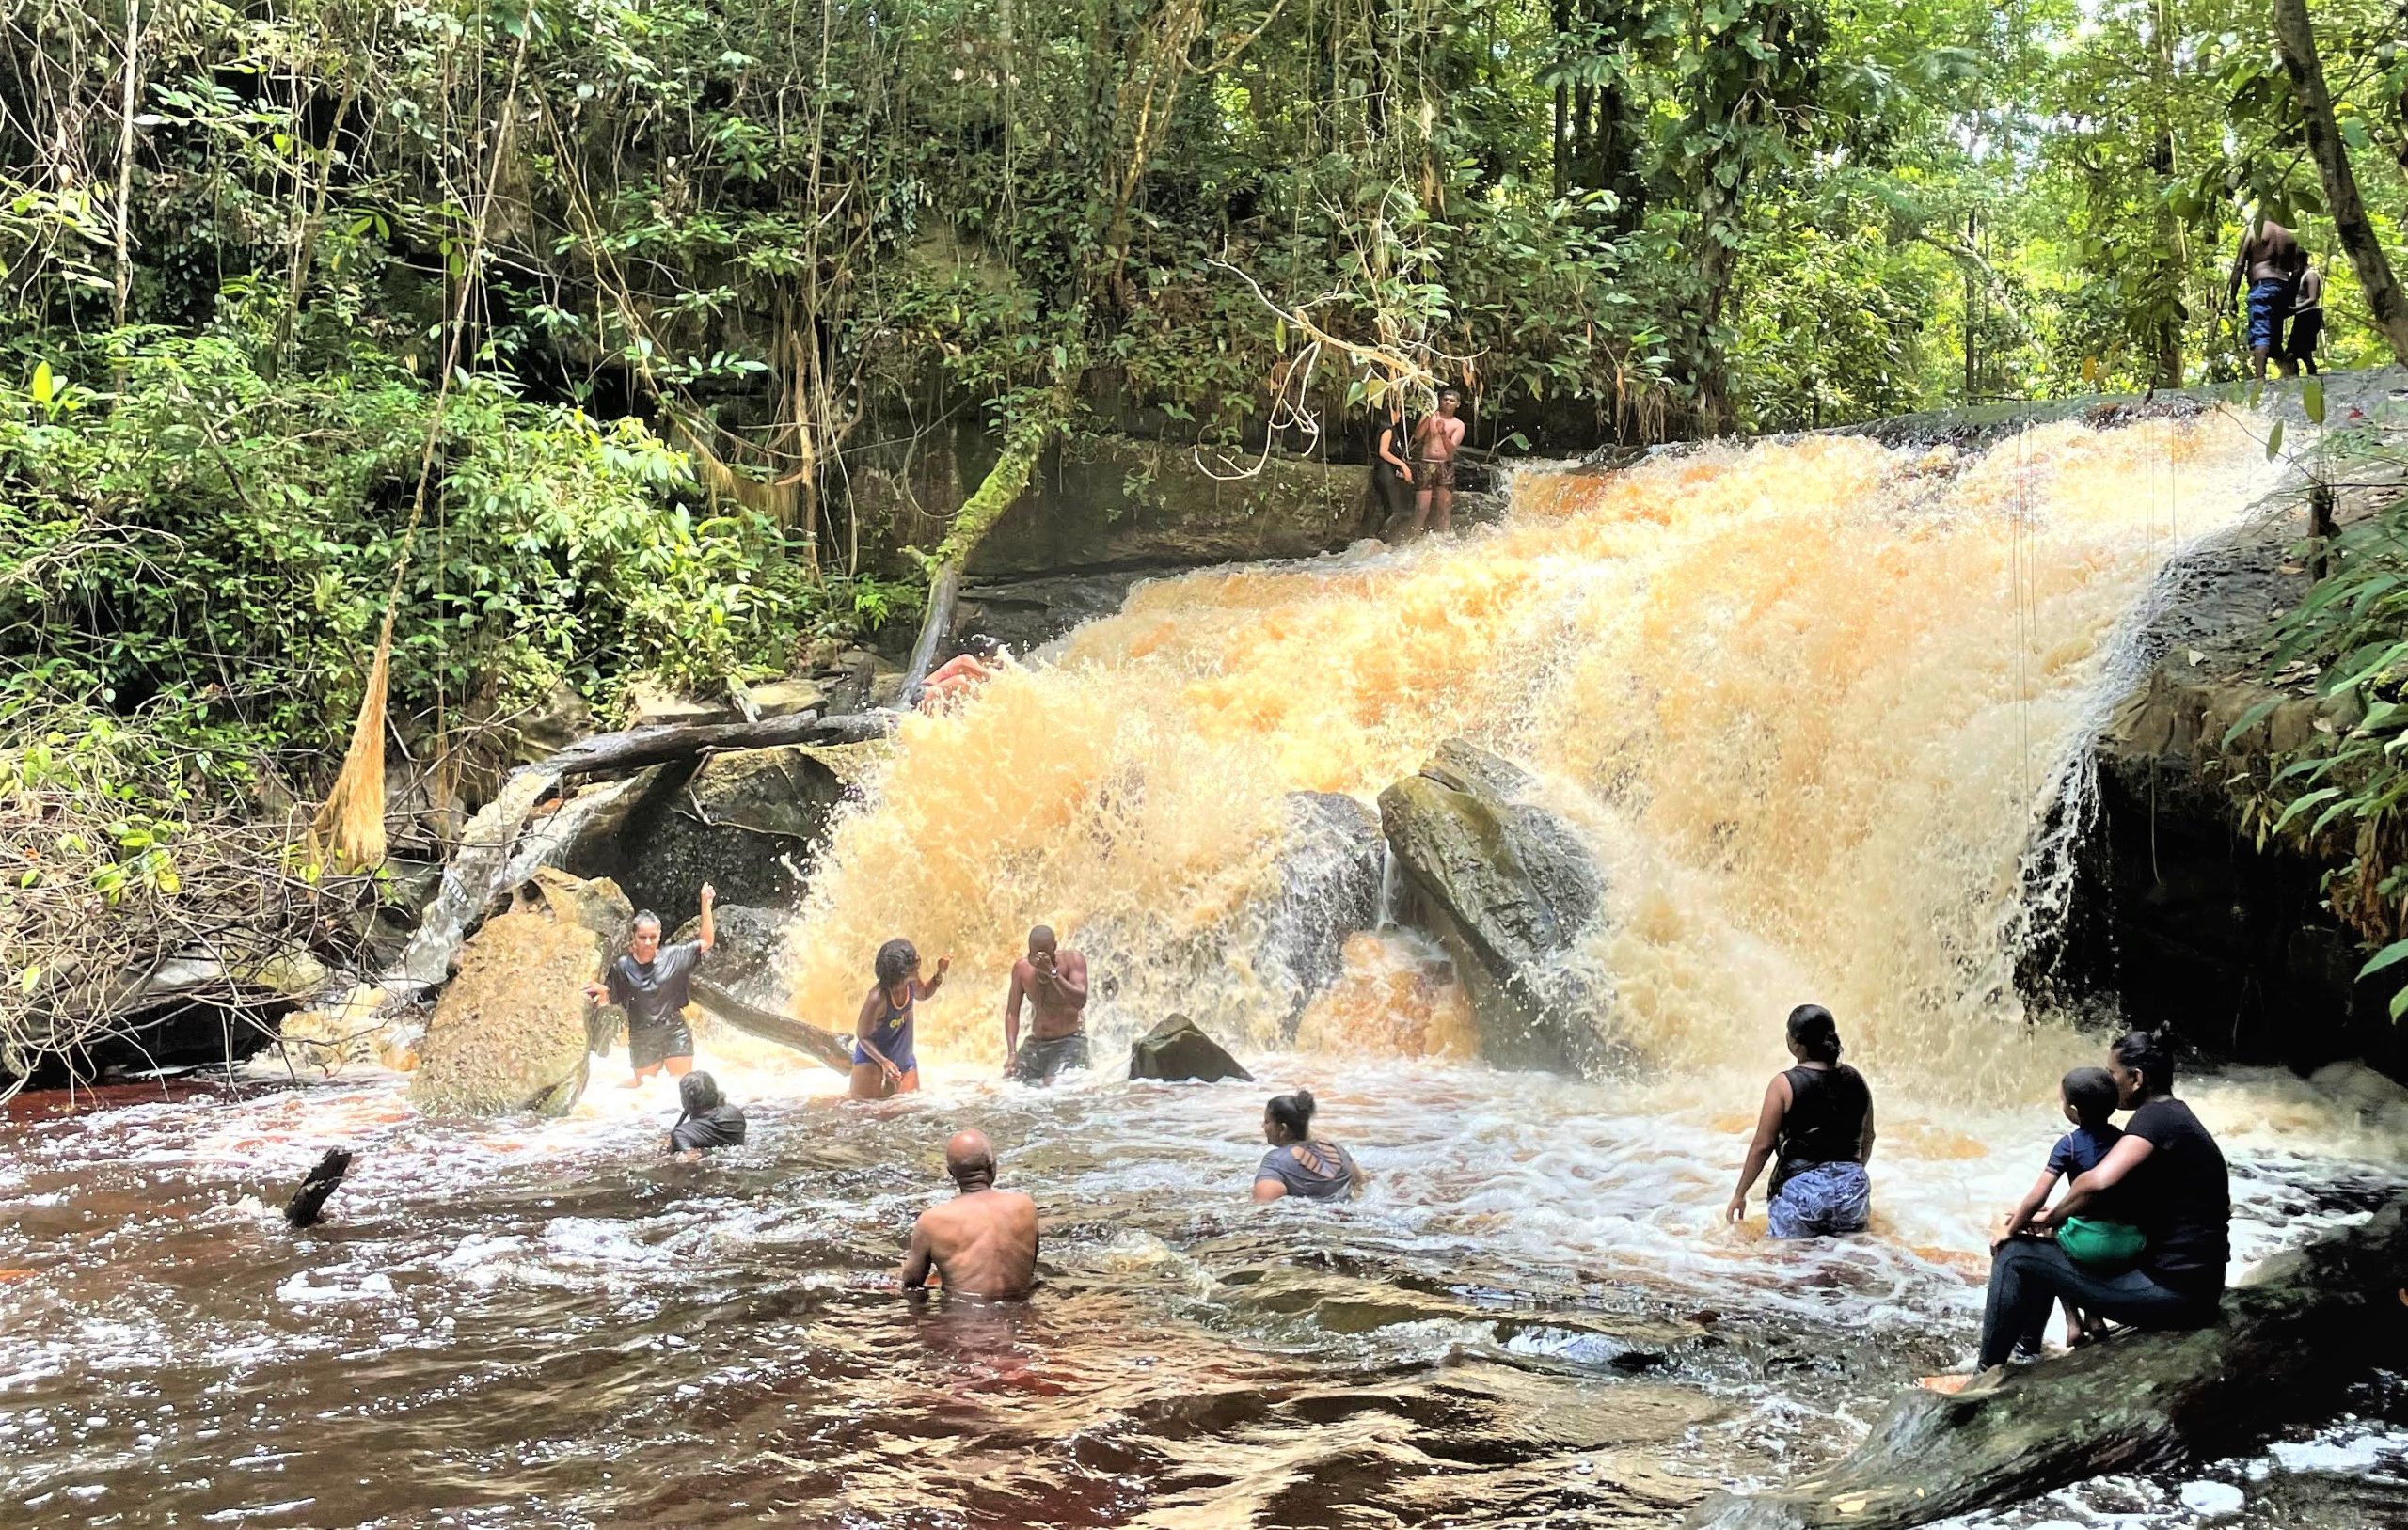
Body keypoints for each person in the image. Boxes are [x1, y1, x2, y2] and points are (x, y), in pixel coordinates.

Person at [1971, 1030, 2229, 1371]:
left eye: (2112, 1075)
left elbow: (2097, 1183)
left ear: (2136, 1079)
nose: (2108, 1082)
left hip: (2173, 1295)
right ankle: (2026, 1355)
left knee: (2014, 1253)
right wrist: (2059, 1216)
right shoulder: (2174, 1116)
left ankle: (1983, 1377)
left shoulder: (2154, 1121)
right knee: (2043, 1248)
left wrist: (2050, 1219)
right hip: (2197, 1288)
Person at [1994, 1066, 2147, 1348]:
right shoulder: (2125, 1141)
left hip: (2092, 1244)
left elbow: (2037, 1196)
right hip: (2130, 1242)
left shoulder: (2069, 1145)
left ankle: (2071, 1320)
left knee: (2051, 1239)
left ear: (2074, 1111)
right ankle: (2095, 1317)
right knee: (2073, 1227)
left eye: (2063, 1101)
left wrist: (2012, 1228)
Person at [1724, 1004, 1876, 1238]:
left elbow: (1763, 1146)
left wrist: (1739, 1194)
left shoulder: (1783, 1085)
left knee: (1789, 1263)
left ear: (1794, 1044)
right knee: (1846, 1260)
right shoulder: (1857, 1080)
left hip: (1803, 1192)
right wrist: (1844, 1179)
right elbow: (1868, 1137)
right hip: (1852, 1190)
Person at [582, 883, 715, 1086]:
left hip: (674, 1030)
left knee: (682, 1088)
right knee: (645, 1093)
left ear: (660, 935)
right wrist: (599, 992)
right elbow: (610, 997)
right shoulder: (622, 967)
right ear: (633, 937)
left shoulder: (674, 956)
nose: (647, 942)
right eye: (642, 937)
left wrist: (705, 904)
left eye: (652, 937)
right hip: (642, 1035)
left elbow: (706, 941)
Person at [901, 1129, 1039, 1298]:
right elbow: (1029, 1270)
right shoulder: (1025, 1206)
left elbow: (911, 1282)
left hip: (964, 1318)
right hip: (1022, 1314)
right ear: (992, 1164)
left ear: (951, 1173)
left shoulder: (932, 1221)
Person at [851, 938, 947, 1099]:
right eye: (915, 960)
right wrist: (883, 1062)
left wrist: (939, 974)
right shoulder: (877, 998)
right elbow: (863, 1037)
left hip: (903, 1059)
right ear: (902, 973)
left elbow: (923, 993)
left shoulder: (910, 981)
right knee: (866, 1114)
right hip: (873, 1061)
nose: (919, 961)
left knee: (906, 1110)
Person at [1003, 925, 1091, 1084]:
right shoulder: (1022, 968)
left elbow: (1080, 1001)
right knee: (1011, 1082)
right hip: (1037, 1043)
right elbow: (1012, 1012)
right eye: (1034, 954)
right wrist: (1012, 1053)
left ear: (1054, 947)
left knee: (1054, 1084)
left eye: (1044, 954)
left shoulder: (1073, 960)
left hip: (1070, 1040)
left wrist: (1052, 973)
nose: (1038, 960)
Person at [2226, 214, 2306, 380]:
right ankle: (2290, 376)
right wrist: (2290, 297)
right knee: (2275, 342)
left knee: (2261, 335)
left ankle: (2260, 382)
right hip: (2282, 287)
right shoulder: (2289, 237)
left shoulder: (2254, 231)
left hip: (2262, 287)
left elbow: (2239, 265)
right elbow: (2297, 270)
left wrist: (2232, 297)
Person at [1252, 1090, 1367, 1202]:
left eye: (1267, 1121)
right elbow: (1361, 1183)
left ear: (1283, 1129)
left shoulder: (1275, 1161)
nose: (1263, 1126)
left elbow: (1264, 1204)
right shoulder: (1335, 1148)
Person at [1408, 386, 1467, 537]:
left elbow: (1452, 449)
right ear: (1440, 401)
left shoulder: (1458, 425)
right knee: (1421, 508)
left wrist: (1442, 434)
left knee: (1444, 507)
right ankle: (1413, 538)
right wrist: (1428, 417)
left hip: (1445, 465)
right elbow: (1417, 436)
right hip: (1426, 463)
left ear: (1457, 404)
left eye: (1452, 400)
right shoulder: (1430, 415)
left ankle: (1444, 539)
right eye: (1445, 399)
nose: (1447, 402)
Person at [667, 1070, 747, 1161]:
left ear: (684, 1100)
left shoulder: (682, 1134)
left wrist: (672, 1144)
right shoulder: (735, 1113)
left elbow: (689, 1159)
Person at [919, 635, 1009, 714]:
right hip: (923, 693)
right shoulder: (967, 659)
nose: (998, 664)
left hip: (933, 698)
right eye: (995, 658)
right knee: (964, 681)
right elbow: (987, 675)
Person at [1368, 397, 1416, 538]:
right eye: (1398, 412)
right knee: (1397, 511)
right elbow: (1383, 452)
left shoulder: (1391, 429)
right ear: (1391, 413)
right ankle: (1381, 538)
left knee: (1391, 509)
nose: (1400, 415)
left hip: (1388, 471)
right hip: (1384, 471)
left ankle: (1383, 538)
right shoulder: (1387, 429)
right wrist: (1402, 465)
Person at [2288, 260, 2325, 376]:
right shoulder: (2301, 277)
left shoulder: (2311, 275)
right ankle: (2309, 376)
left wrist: (2295, 308)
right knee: (2303, 352)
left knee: (2292, 353)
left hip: (2309, 315)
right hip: (2302, 316)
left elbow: (2313, 298)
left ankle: (2307, 378)